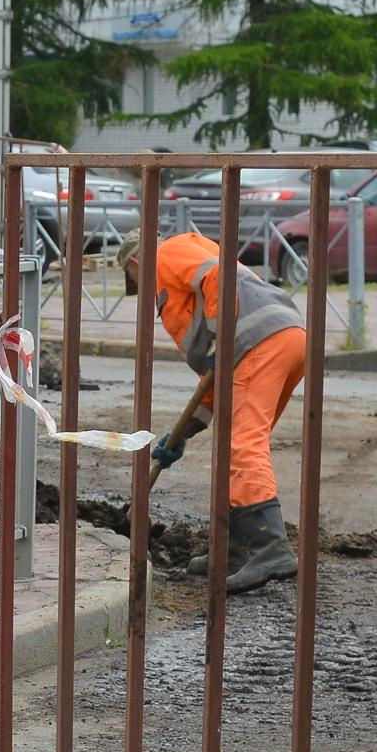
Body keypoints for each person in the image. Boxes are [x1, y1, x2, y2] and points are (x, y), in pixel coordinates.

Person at [127, 232, 308, 592]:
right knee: (233, 442)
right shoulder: (182, 273)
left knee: (244, 444)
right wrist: (183, 433)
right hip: (282, 339)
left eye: (136, 284)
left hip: (257, 343)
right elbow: (213, 383)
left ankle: (269, 547)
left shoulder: (166, 253)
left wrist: (220, 336)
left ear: (134, 264)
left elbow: (217, 278)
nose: (145, 296)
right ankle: (234, 550)